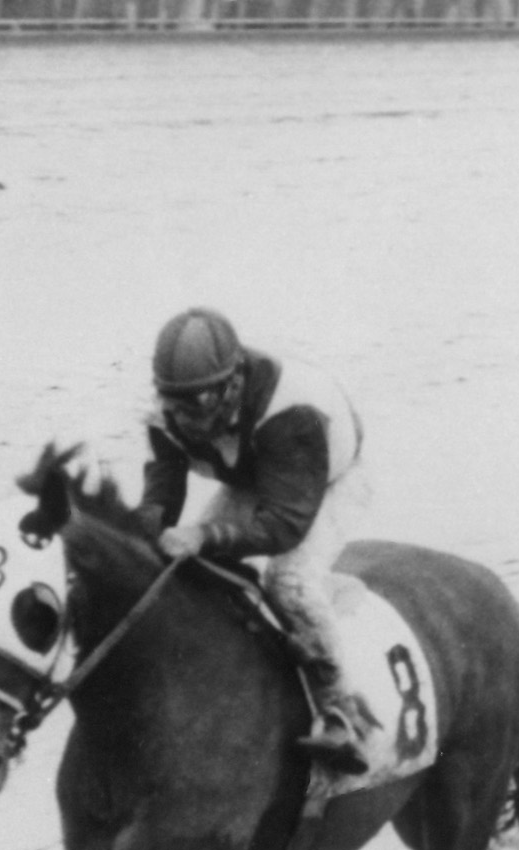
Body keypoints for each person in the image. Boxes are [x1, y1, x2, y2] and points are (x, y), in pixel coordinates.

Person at [135, 308, 378, 772]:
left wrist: (205, 534)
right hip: (255, 475)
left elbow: (285, 525)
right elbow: (162, 493)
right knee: (180, 569)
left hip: (327, 482)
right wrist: (138, 533)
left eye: (199, 404)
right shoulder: (168, 412)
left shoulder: (292, 411)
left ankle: (342, 712)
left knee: (288, 582)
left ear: (233, 383)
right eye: (176, 405)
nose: (186, 420)